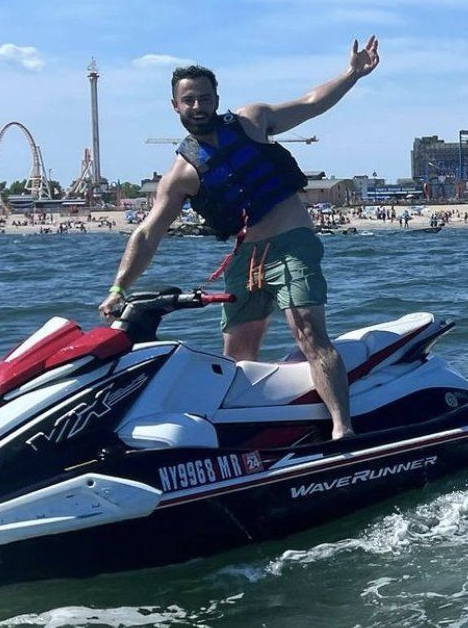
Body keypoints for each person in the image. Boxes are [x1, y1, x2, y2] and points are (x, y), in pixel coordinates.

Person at [98, 36, 381, 440]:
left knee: (308, 332)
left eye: (205, 98)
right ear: (175, 106)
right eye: (189, 101)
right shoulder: (180, 175)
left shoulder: (251, 121)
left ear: (216, 98)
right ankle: (247, 434)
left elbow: (311, 102)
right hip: (247, 258)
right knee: (237, 353)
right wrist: (118, 288)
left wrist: (352, 73)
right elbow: (148, 233)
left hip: (292, 241)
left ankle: (343, 430)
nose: (198, 107)